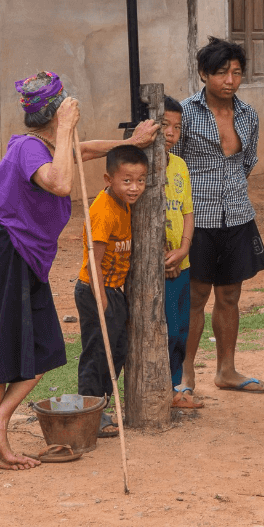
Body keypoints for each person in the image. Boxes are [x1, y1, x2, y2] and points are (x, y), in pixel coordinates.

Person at [0, 71, 155, 470]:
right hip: (2, 250)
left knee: (44, 348)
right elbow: (61, 183)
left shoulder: (49, 146)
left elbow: (83, 150)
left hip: (20, 256)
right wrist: (66, 127)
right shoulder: (29, 148)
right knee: (3, 350)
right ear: (57, 112)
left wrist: (130, 144)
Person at [172, 37, 264, 394]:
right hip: (196, 220)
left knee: (230, 296)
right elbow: (173, 163)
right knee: (195, 297)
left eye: (237, 73)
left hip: (238, 215)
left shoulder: (248, 115)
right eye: (221, 73)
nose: (230, 81)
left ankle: (226, 371)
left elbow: (247, 162)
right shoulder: (185, 113)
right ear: (204, 73)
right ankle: (185, 375)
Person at [75, 145, 149, 437]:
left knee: (116, 351)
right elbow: (94, 262)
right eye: (127, 180)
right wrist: (103, 301)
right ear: (109, 179)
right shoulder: (103, 211)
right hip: (96, 291)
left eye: (140, 180)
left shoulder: (125, 203)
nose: (134, 187)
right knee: (97, 352)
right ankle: (89, 411)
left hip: (115, 291)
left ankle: (102, 407)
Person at [161, 96, 202, 411]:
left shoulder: (180, 165)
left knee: (181, 331)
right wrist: (163, 257)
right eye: (165, 125)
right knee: (164, 330)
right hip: (157, 269)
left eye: (177, 127)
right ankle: (158, 388)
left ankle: (175, 388)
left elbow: (187, 212)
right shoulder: (139, 167)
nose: (171, 133)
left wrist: (184, 247)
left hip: (182, 263)